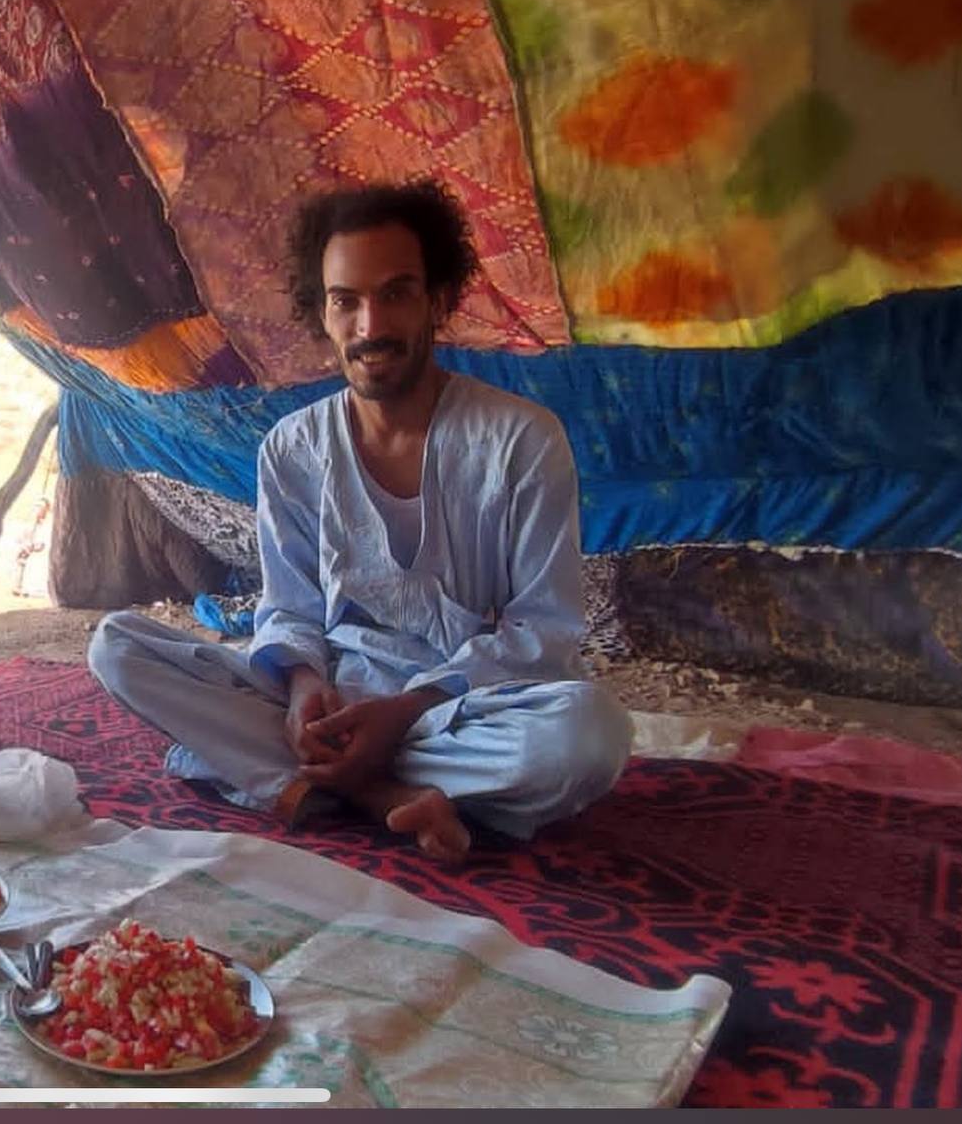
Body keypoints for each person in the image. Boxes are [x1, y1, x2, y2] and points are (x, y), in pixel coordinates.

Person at [88, 180, 632, 861]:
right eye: (346, 301)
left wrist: (404, 710)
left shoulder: (520, 440)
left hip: (457, 705)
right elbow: (289, 608)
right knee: (117, 646)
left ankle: (295, 779)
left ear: (438, 300)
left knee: (587, 734)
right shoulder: (290, 448)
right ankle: (385, 796)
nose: (370, 326)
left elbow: (544, 630)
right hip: (338, 698)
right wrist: (305, 688)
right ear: (321, 314)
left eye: (396, 293)